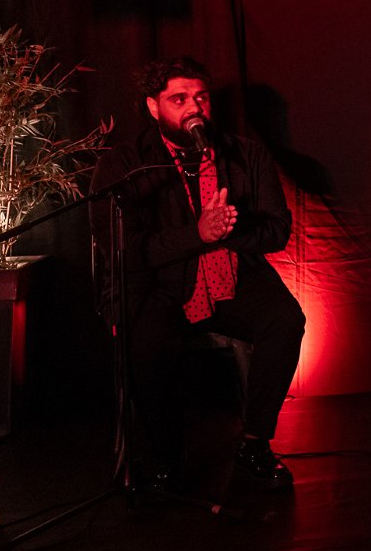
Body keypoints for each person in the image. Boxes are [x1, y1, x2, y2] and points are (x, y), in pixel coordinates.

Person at [91, 57, 305, 490]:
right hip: (161, 283)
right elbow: (124, 250)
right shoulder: (127, 164)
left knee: (285, 320)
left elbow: (277, 231)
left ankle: (254, 444)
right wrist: (198, 235)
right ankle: (166, 455)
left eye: (200, 97)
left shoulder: (246, 154)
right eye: (179, 99)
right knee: (145, 345)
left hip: (232, 274)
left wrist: (228, 230)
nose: (194, 107)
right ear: (153, 106)